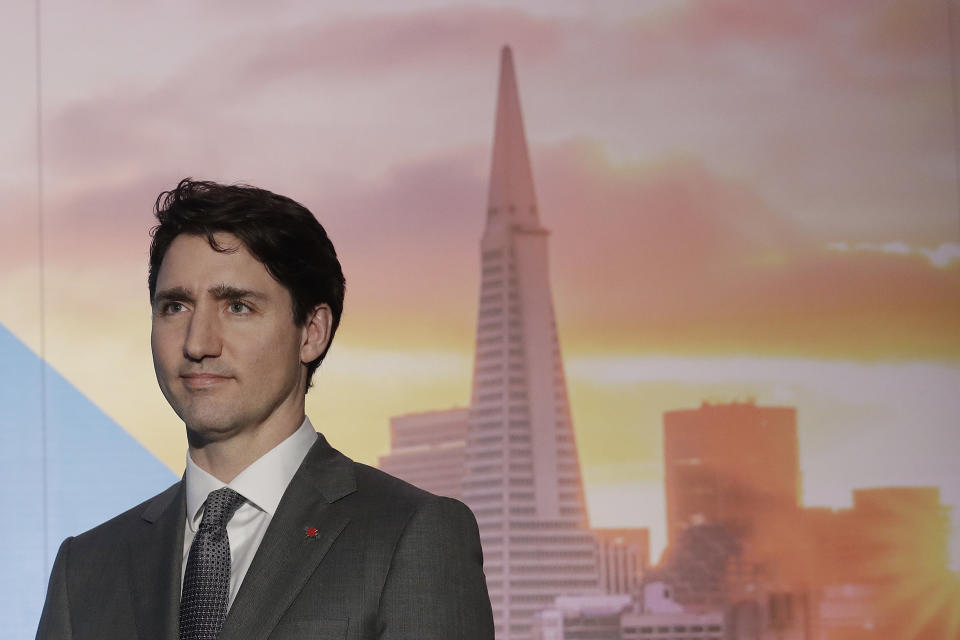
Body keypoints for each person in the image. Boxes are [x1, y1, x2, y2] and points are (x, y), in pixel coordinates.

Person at [36, 179, 494, 640]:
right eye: (175, 306)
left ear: (312, 331)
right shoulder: (87, 568)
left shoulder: (409, 535)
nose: (198, 343)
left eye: (237, 306)